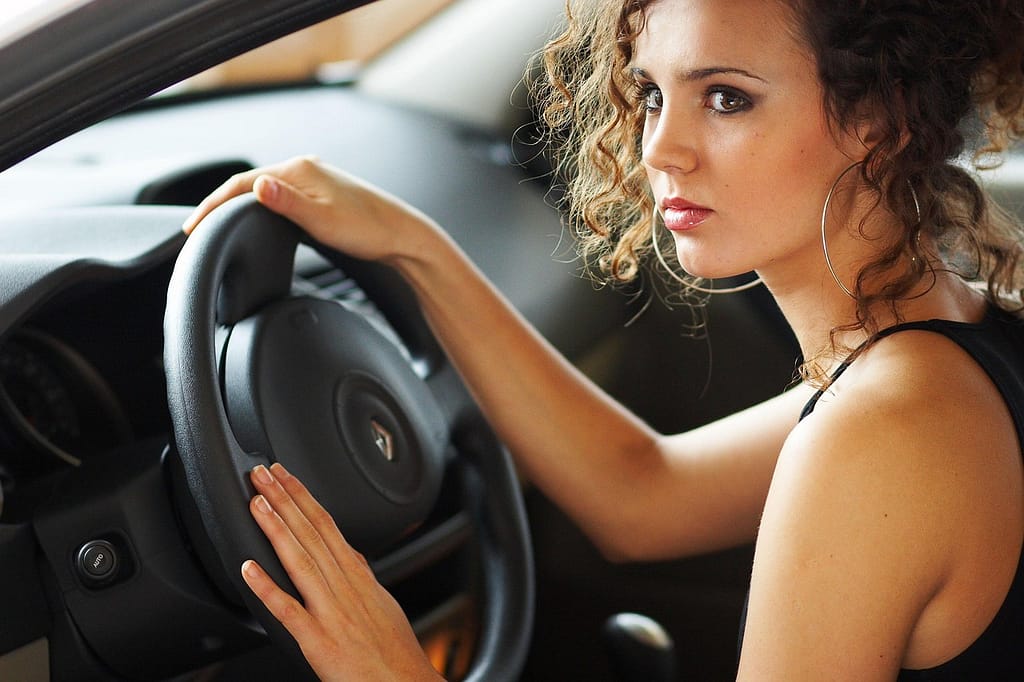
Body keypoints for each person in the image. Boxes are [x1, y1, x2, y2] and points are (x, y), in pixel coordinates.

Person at [182, 0, 1024, 679]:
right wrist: (413, 248)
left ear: (878, 118)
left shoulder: (885, 430)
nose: (662, 148)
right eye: (652, 93)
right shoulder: (952, 345)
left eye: (725, 97)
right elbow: (642, 496)